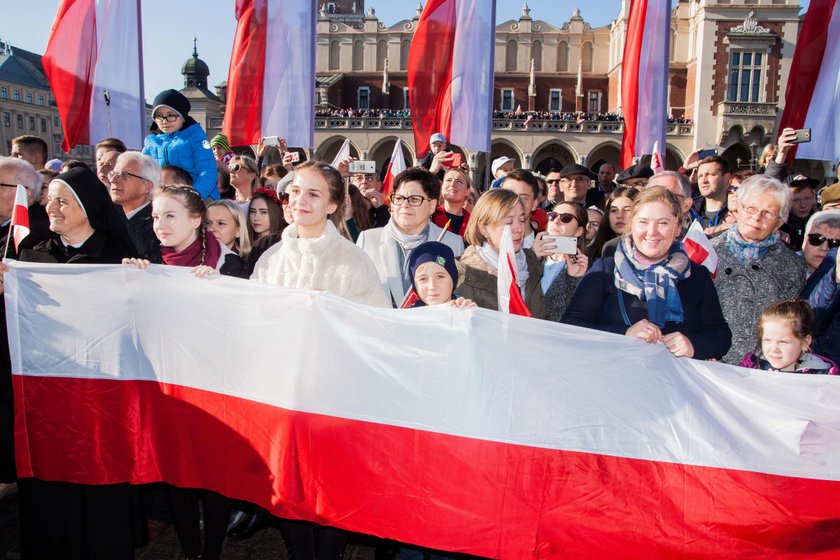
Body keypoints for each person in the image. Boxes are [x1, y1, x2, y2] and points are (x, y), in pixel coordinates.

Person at [250, 161, 388, 559]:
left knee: (332, 488)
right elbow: (252, 322)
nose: (300, 201)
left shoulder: (352, 260)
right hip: (284, 393)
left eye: (313, 194)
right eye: (295, 192)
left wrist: (332, 313)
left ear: (333, 205)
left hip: (334, 396)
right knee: (288, 484)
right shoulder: (271, 259)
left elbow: (375, 326)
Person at [12, 167, 142, 559]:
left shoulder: (118, 259)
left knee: (99, 474)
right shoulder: (31, 255)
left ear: (87, 207)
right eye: (49, 198)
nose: (51, 207)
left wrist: (140, 285)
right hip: (47, 395)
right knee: (50, 477)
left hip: (100, 396)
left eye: (62, 200)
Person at [123, 185, 245, 560]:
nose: (160, 224)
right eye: (156, 216)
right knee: (177, 476)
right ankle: (191, 551)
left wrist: (221, 292)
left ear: (196, 220)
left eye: (170, 215)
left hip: (215, 390)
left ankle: (212, 551)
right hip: (167, 390)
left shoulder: (229, 264)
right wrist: (127, 284)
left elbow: (245, 327)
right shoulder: (145, 264)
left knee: (213, 476)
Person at [562, 187, 731, 360]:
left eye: (663, 223)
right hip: (614, 376)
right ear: (632, 225)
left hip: (673, 382)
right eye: (643, 222)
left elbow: (720, 335)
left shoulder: (696, 276)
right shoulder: (605, 270)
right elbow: (572, 325)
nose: (652, 232)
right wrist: (623, 334)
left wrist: (693, 345)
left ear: (678, 228)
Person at [711, 175, 806, 363]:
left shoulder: (792, 266)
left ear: (780, 221)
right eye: (750, 208)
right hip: (710, 364)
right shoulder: (706, 252)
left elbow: (791, 325)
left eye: (768, 213)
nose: (756, 217)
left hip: (763, 369)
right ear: (738, 207)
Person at [357, 167, 464, 307]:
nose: (404, 205)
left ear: (432, 205)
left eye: (414, 199)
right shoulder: (368, 240)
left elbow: (457, 296)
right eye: (399, 198)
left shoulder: (451, 242)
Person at [455, 189, 545, 316]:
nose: (518, 229)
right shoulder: (465, 274)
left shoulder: (530, 263)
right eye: (508, 222)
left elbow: (543, 318)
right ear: (483, 228)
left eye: (522, 220)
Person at [142, 89, 219, 200]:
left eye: (171, 115)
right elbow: (144, 172)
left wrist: (195, 195)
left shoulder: (196, 137)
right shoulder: (151, 142)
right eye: (159, 116)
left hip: (199, 195)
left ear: (182, 116)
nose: (164, 121)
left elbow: (208, 171)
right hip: (164, 196)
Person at [740, 299, 838, 374]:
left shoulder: (821, 376)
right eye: (767, 340)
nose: (774, 349)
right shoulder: (751, 366)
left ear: (805, 342)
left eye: (783, 342)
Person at [541, 202, 590, 322]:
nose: (556, 221)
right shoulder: (527, 257)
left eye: (566, 218)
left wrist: (574, 279)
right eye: (552, 216)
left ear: (579, 230)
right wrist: (532, 258)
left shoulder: (586, 270)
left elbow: (574, 315)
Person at [111, 151, 161, 261]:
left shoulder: (158, 221)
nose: (113, 180)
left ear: (147, 186)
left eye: (124, 175)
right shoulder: (104, 215)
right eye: (113, 173)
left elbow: (142, 249)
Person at [407, 241, 476, 308]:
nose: (432, 286)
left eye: (440, 277)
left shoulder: (465, 311)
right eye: (423, 279)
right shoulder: (408, 317)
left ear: (453, 279)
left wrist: (473, 316)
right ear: (414, 284)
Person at [587, 187, 638, 259]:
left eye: (627, 210)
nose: (619, 216)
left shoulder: (646, 249)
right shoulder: (592, 250)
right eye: (614, 210)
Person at [502, 169, 542, 249]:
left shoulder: (544, 245)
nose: (515, 202)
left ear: (534, 203)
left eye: (523, 198)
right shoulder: (488, 243)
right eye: (508, 195)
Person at [691, 156, 730, 231]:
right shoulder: (689, 213)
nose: (704, 180)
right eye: (700, 176)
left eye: (710, 174)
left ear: (726, 178)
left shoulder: (737, 214)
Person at [432, 167, 472, 238]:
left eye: (459, 181)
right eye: (448, 180)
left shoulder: (473, 222)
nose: (452, 184)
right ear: (441, 188)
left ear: (467, 191)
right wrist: (432, 172)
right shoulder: (430, 215)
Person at [783, 174, 820, 249]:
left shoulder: (823, 222)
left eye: (807, 199)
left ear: (813, 198)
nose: (803, 205)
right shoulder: (779, 227)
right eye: (795, 200)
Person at [801, 210, 840, 275]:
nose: (824, 248)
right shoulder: (782, 266)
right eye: (817, 239)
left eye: (834, 243)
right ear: (804, 240)